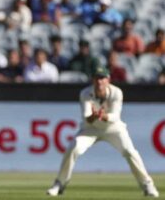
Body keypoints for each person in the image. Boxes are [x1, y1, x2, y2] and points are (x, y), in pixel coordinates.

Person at [46, 66, 159, 198]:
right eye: (96, 78)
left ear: (108, 80)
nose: (99, 82)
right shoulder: (85, 93)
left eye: (102, 78)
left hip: (113, 128)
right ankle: (60, 184)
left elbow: (115, 116)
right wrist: (94, 116)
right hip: (91, 128)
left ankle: (147, 185)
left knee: (129, 151)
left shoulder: (117, 93)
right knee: (74, 147)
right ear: (93, 80)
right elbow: (87, 118)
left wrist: (104, 116)